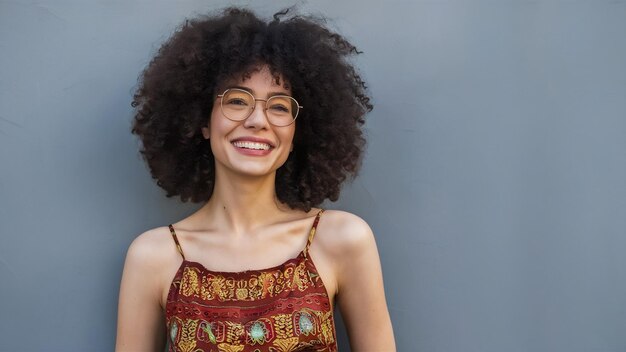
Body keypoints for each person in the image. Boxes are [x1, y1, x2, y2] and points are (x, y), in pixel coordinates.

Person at [116, 7, 395, 352]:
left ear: (297, 131)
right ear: (202, 121)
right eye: (236, 100)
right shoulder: (153, 256)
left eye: (279, 106)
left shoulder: (342, 240)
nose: (257, 120)